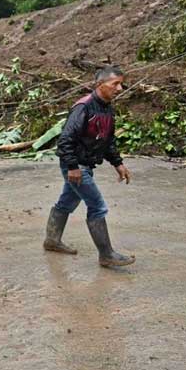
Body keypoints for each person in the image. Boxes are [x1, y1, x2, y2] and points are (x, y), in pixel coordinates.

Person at [44, 66, 135, 267]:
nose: (120, 88)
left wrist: (118, 163)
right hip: (76, 165)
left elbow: (108, 140)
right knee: (97, 206)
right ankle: (106, 254)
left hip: (85, 164)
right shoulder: (83, 107)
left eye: (121, 84)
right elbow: (65, 140)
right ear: (99, 85)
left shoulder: (108, 109)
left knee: (67, 202)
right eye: (115, 84)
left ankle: (52, 240)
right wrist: (72, 167)